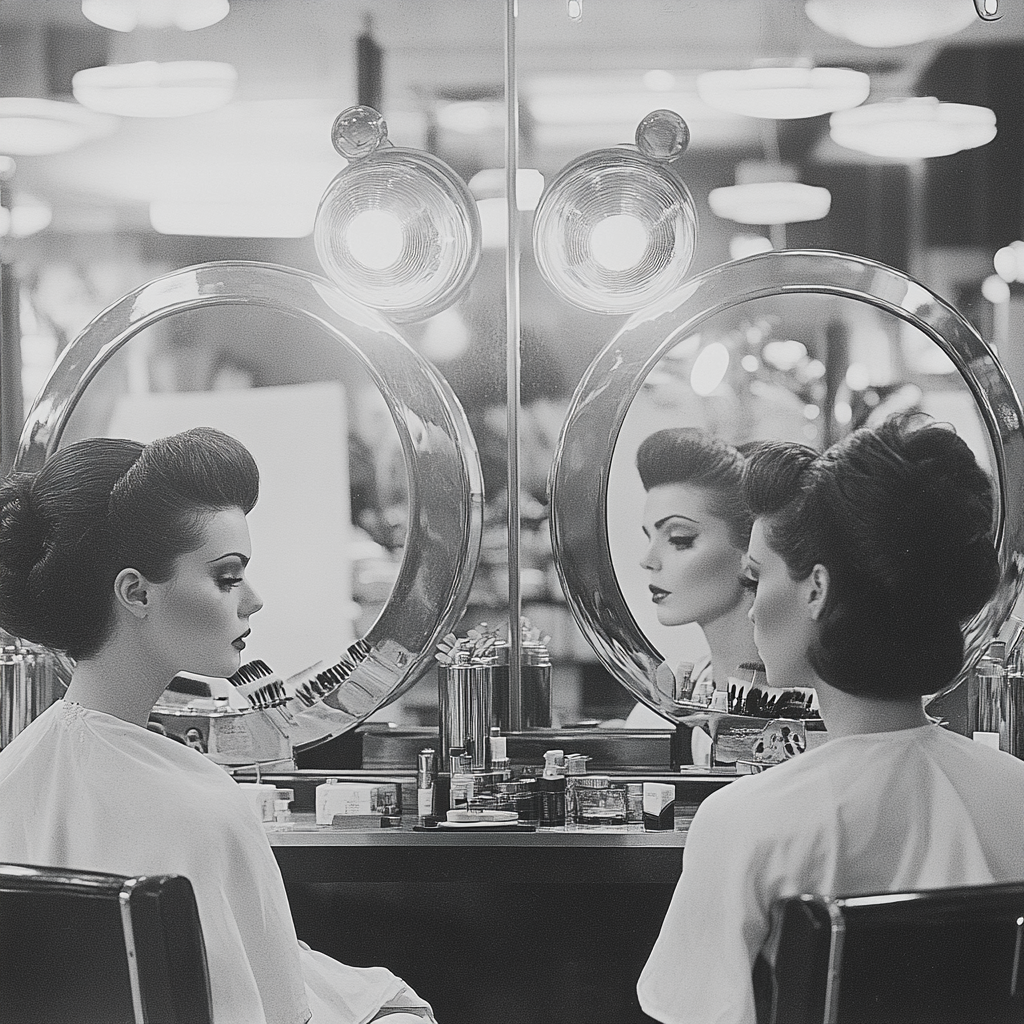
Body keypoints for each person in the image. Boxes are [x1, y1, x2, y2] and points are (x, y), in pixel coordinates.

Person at [0, 427, 434, 1024]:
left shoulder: (14, 771)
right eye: (227, 577)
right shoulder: (200, 805)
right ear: (136, 593)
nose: (253, 599)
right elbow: (277, 1010)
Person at [637, 414, 1024, 1024]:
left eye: (755, 578)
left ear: (816, 589)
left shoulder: (747, 823)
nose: (753, 606)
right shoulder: (1016, 793)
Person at [621, 428, 760, 761]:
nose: (648, 560)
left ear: (752, 547)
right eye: (649, 537)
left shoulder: (813, 704)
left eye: (679, 539)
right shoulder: (657, 716)